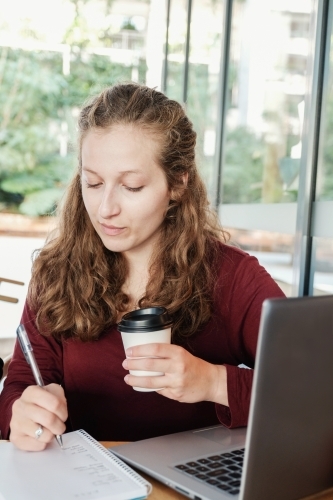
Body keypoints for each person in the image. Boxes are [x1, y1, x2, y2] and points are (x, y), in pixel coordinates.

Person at [0, 82, 284, 451]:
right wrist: (20, 413)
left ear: (178, 184)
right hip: (86, 485)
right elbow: (20, 387)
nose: (105, 209)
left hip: (190, 486)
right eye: (93, 182)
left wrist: (213, 382)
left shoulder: (233, 278)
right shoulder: (57, 272)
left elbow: (311, 388)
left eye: (131, 187)